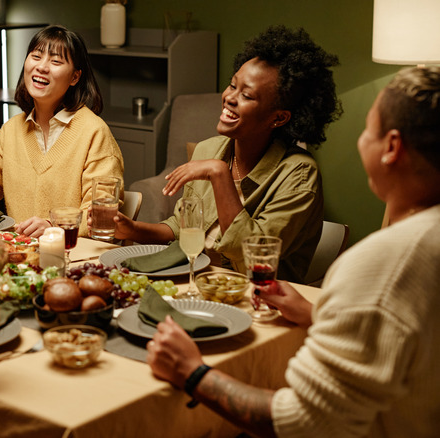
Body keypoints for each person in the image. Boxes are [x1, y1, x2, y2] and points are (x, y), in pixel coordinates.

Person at [147, 66, 440, 437]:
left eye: (368, 128)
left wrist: (191, 371)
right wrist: (315, 314)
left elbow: (302, 422)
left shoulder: (382, 265)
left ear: (392, 148)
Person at [105, 25, 341, 282]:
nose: (229, 97)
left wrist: (219, 175)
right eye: (232, 85)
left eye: (247, 95)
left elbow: (254, 259)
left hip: (258, 294)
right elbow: (184, 229)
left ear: (279, 118)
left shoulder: (299, 174)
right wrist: (134, 229)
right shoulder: (208, 149)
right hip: (198, 281)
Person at [0, 24, 124, 238]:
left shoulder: (94, 132)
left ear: (75, 77)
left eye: (56, 61)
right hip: (20, 251)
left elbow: (101, 212)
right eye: (36, 56)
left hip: (73, 252)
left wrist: (53, 226)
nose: (42, 67)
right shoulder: (11, 129)